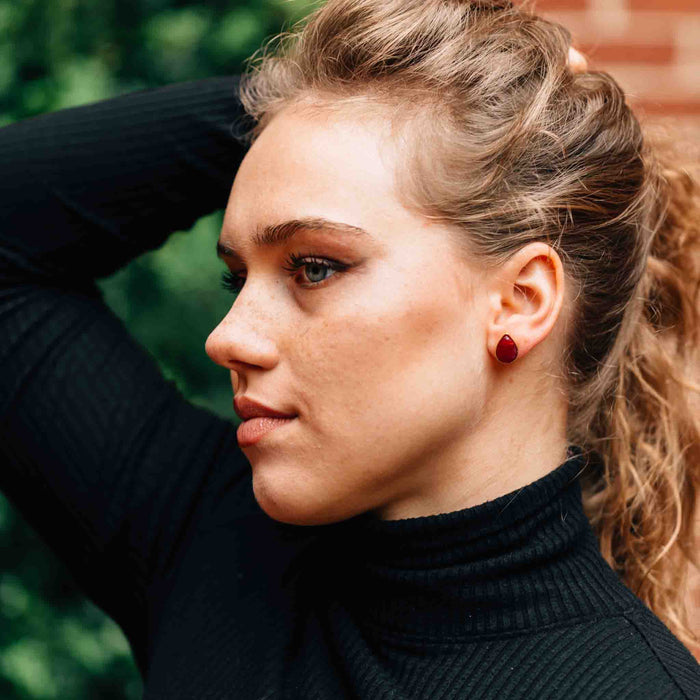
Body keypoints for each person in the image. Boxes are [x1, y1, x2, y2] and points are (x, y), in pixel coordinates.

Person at [1, 0, 699, 697]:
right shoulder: (213, 550)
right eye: (236, 278)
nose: (228, 336)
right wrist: (310, 115)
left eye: (314, 268)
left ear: (520, 300)